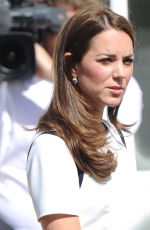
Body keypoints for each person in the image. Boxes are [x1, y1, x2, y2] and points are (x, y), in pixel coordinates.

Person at [26, 4, 147, 229]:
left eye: (127, 61)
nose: (120, 73)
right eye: (106, 60)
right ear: (73, 65)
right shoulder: (53, 146)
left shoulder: (112, 132)